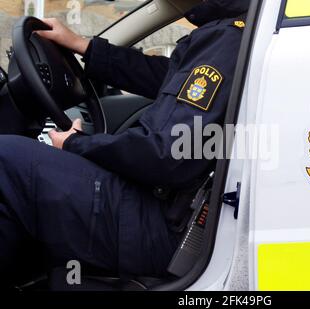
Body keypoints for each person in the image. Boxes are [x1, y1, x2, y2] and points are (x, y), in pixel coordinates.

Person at [0, 0, 249, 287]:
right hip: (163, 210)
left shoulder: (226, 41)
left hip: (157, 223)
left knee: (6, 160)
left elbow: (165, 156)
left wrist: (76, 144)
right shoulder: (226, 36)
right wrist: (84, 46)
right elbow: (167, 77)